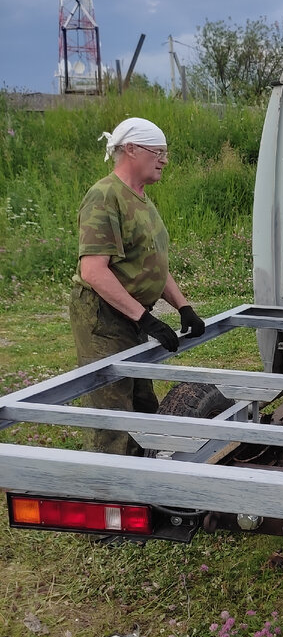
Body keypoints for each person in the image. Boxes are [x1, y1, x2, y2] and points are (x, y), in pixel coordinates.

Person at [69, 116, 205, 455]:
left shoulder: (141, 198)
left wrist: (183, 307)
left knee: (143, 401)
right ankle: (109, 495)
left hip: (130, 316)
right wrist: (143, 318)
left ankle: (144, 479)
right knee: (113, 410)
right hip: (104, 318)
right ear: (131, 149)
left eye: (165, 153)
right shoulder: (104, 196)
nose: (164, 160)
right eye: (157, 152)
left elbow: (152, 264)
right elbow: (94, 271)